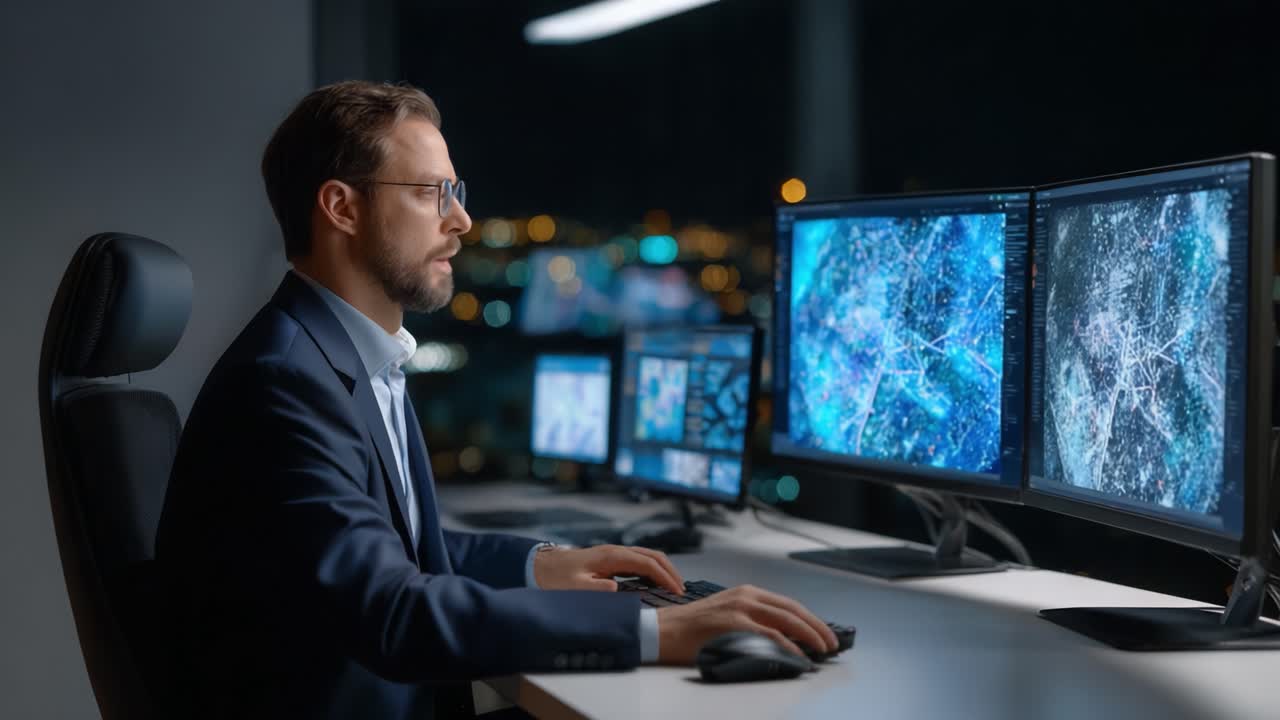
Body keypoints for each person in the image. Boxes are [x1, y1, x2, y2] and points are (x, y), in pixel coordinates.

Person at [156, 80, 836, 720]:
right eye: (431, 193)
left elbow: (398, 546)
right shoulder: (284, 379)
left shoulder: (335, 354)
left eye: (456, 191)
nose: (463, 220)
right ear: (342, 208)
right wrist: (655, 628)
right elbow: (394, 610)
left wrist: (541, 563)